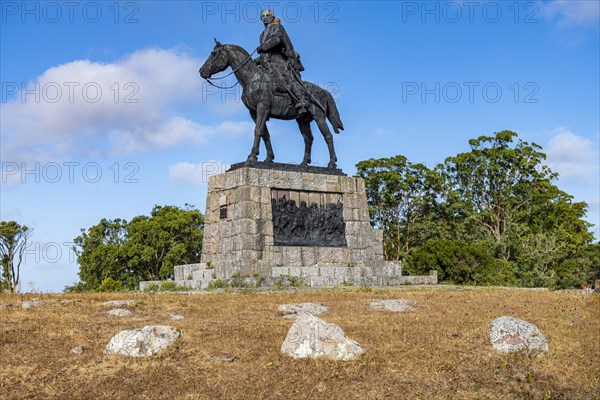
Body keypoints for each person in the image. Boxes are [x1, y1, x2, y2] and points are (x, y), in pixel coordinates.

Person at [256, 9, 310, 116]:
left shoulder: (277, 27)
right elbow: (265, 53)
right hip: (268, 60)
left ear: (272, 17)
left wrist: (263, 47)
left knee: (284, 73)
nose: (265, 17)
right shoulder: (262, 35)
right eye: (263, 16)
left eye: (267, 15)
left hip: (280, 58)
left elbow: (277, 40)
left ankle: (302, 99)